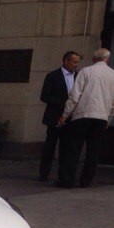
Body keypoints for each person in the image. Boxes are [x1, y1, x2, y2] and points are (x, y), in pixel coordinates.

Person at [56, 48, 114, 188]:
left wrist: (65, 115)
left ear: (93, 59)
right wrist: (109, 118)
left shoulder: (85, 72)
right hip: (101, 116)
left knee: (74, 149)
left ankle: (67, 180)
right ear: (107, 59)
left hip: (82, 115)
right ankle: (86, 181)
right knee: (93, 151)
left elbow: (75, 96)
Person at [38, 51, 79, 181]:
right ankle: (44, 172)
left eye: (77, 62)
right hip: (54, 116)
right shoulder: (53, 76)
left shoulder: (78, 76)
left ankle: (63, 174)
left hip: (71, 118)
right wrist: (64, 103)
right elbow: (45, 96)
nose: (76, 65)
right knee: (50, 145)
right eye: (74, 62)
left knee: (66, 147)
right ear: (66, 61)